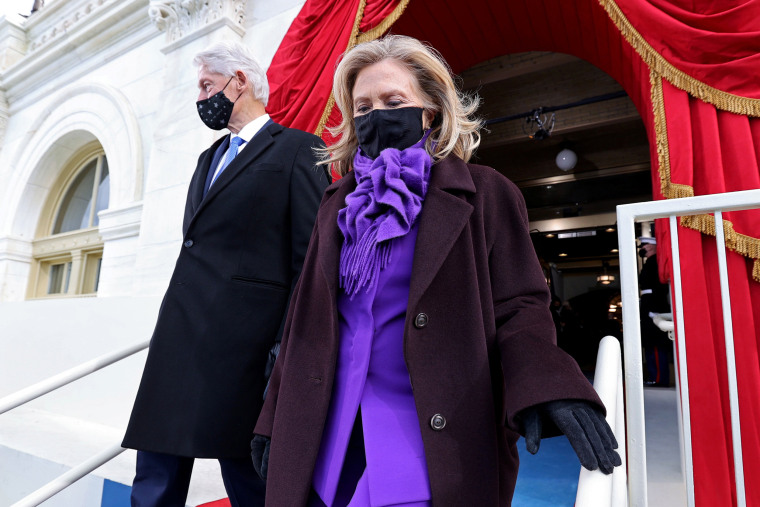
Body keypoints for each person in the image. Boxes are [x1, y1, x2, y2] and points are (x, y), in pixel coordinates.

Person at [251, 35, 621, 506]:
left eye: (393, 101)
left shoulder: (486, 192)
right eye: (362, 107)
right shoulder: (336, 205)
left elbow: (521, 307)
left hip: (429, 443)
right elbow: (304, 322)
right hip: (328, 440)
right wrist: (273, 419)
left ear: (430, 110)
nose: (376, 115)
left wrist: (550, 383)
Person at [122, 40, 330, 506]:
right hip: (179, 340)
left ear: (240, 81)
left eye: (207, 85)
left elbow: (309, 261)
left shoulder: (298, 149)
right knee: (154, 477)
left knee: (251, 482)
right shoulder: (206, 159)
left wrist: (288, 342)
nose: (201, 99)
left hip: (247, 350)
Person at [638, 236, 672, 387]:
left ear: (652, 246)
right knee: (650, 344)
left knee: (656, 344)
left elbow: (659, 287)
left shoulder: (655, 262)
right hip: (648, 304)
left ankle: (659, 378)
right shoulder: (649, 263)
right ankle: (654, 376)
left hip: (654, 305)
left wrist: (654, 309)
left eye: (645, 245)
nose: (642, 248)